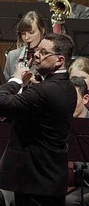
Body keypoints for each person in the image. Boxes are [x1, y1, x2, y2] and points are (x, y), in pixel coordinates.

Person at [0, 33, 76, 205]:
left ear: (60, 60)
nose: (36, 54)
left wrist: (15, 80)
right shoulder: (69, 87)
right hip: (51, 178)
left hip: (34, 181)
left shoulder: (43, 91)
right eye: (37, 50)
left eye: (44, 52)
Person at [65, 76, 89, 206]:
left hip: (85, 184)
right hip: (63, 183)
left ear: (85, 99)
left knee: (69, 202)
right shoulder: (58, 124)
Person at [4, 11, 46, 80]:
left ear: (42, 31)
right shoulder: (12, 56)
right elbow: (5, 85)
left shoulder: (49, 56)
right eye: (23, 33)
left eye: (31, 32)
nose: (26, 37)